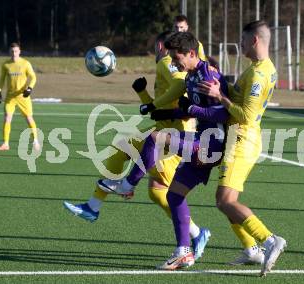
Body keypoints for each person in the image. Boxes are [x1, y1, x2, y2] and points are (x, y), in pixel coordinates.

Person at [63, 31, 211, 260]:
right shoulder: (166, 64)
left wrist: (164, 104)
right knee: (157, 191)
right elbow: (155, 110)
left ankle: (103, 200)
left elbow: (180, 85)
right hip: (164, 132)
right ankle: (197, 232)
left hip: (175, 137)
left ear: (159, 45)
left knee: (133, 154)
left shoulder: (165, 62)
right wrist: (143, 94)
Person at [97, 32, 231, 270]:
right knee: (174, 196)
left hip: (212, 144)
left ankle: (128, 185)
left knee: (155, 138)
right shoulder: (190, 77)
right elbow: (193, 110)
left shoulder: (207, 76)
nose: (174, 62)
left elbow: (222, 114)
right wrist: (169, 113)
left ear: (191, 53)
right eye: (170, 56)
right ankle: (184, 252)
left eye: (177, 57)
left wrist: (190, 109)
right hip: (201, 140)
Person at [197, 20, 287, 277]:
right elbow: (240, 99)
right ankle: (251, 248)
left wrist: (220, 97)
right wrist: (220, 86)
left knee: (225, 200)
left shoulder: (258, 73)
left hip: (242, 138)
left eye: (244, 39)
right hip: (242, 138)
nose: (241, 44)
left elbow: (246, 114)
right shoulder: (259, 68)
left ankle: (270, 241)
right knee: (225, 200)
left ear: (255, 40)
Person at [0, 42, 39, 151]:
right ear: (9, 52)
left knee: (29, 118)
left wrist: (30, 88)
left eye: (16, 51)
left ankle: (35, 141)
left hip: (22, 96)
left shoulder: (25, 63)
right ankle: (6, 144)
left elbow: (33, 77)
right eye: (12, 51)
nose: (14, 53)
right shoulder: (6, 64)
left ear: (19, 52)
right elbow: (2, 79)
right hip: (10, 97)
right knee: (7, 118)